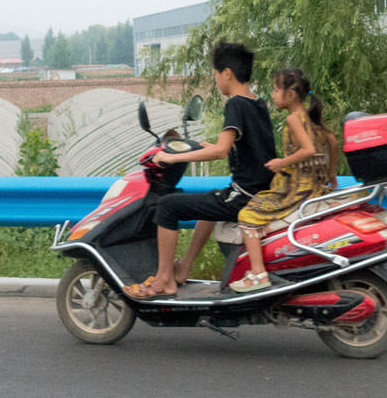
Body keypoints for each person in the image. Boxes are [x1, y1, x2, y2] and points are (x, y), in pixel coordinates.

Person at [126, 41, 277, 299]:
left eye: (216, 74)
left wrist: (173, 158)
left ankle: (164, 281)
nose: (216, 79)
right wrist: (223, 147)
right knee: (209, 204)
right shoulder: (257, 103)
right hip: (261, 190)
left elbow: (220, 150)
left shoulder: (235, 104)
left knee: (168, 206)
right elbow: (254, 147)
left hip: (245, 195)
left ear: (226, 73)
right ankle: (183, 268)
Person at [229, 68, 338, 291]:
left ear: (290, 94)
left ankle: (258, 274)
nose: (273, 94)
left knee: (247, 215)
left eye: (276, 89)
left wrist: (281, 163)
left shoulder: (294, 119)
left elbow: (307, 150)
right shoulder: (312, 117)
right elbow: (333, 143)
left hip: (295, 190)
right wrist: (332, 174)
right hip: (316, 188)